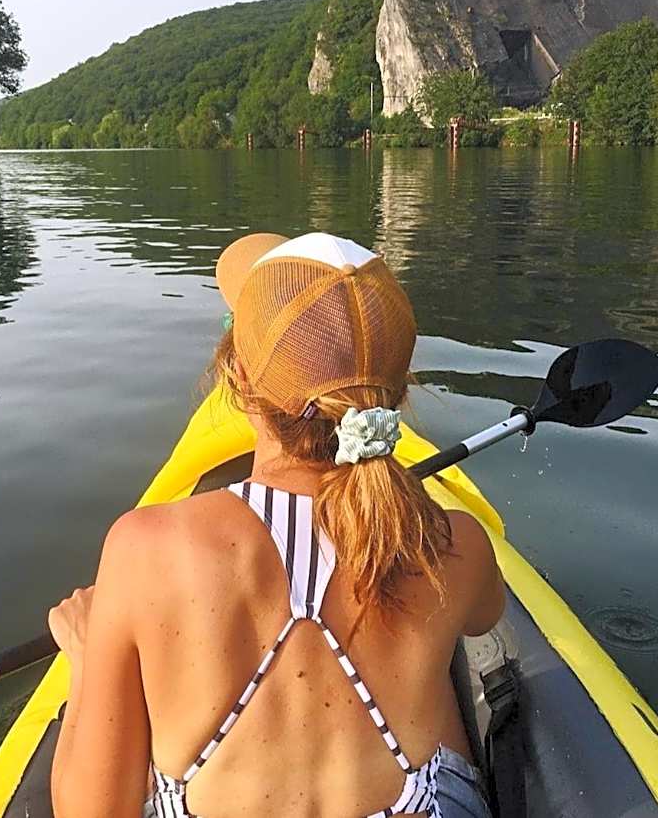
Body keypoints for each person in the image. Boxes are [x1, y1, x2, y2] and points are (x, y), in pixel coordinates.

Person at [48, 232, 504, 818]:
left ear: (235, 378)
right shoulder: (456, 543)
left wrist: (86, 661)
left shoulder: (145, 549)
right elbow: (486, 616)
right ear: (395, 393)